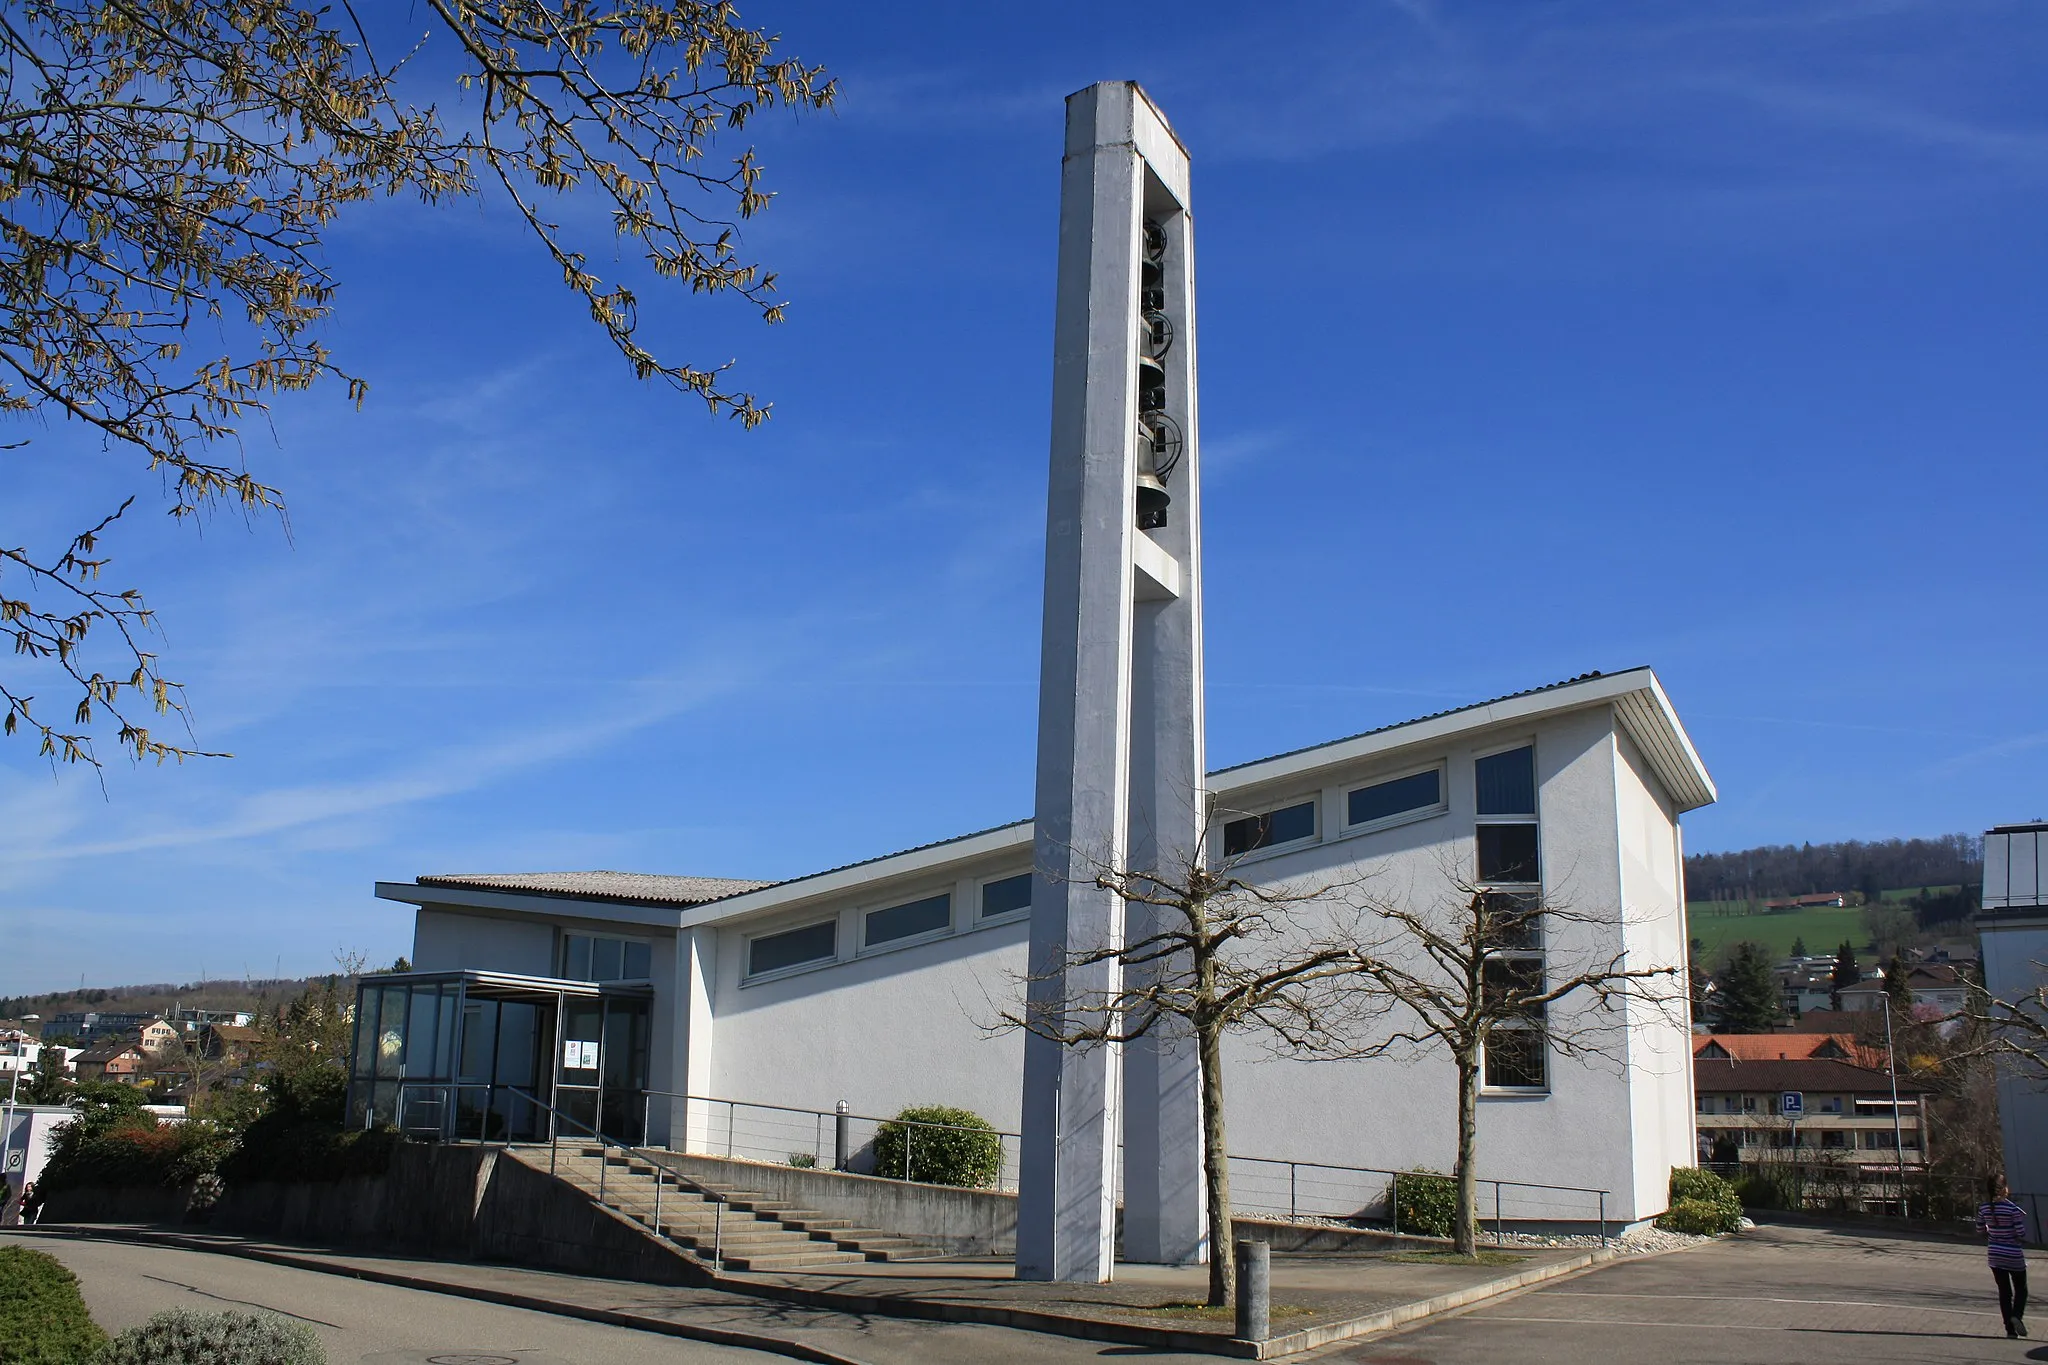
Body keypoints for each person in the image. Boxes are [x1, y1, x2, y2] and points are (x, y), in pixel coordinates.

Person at [1979, 1174, 2030, 1338]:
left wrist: (1993, 1232)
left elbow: (1980, 1230)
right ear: (2004, 1189)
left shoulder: (1984, 1208)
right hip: (2013, 1253)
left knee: (2004, 1292)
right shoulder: (2012, 1209)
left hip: (1995, 1254)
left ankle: (2009, 1329)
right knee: (2021, 1289)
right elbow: (2020, 1233)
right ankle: (2017, 1315)